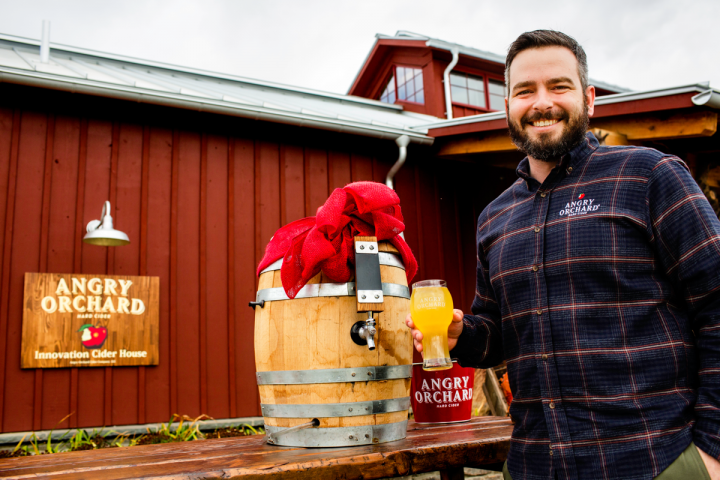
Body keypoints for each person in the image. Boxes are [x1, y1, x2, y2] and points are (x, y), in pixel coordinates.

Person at [406, 30, 720, 480]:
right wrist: (463, 335)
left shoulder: (649, 175)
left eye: (559, 86)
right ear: (508, 107)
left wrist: (711, 453)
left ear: (589, 99)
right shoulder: (495, 217)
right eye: (525, 91)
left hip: (655, 460)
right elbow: (497, 334)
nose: (541, 102)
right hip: (536, 465)